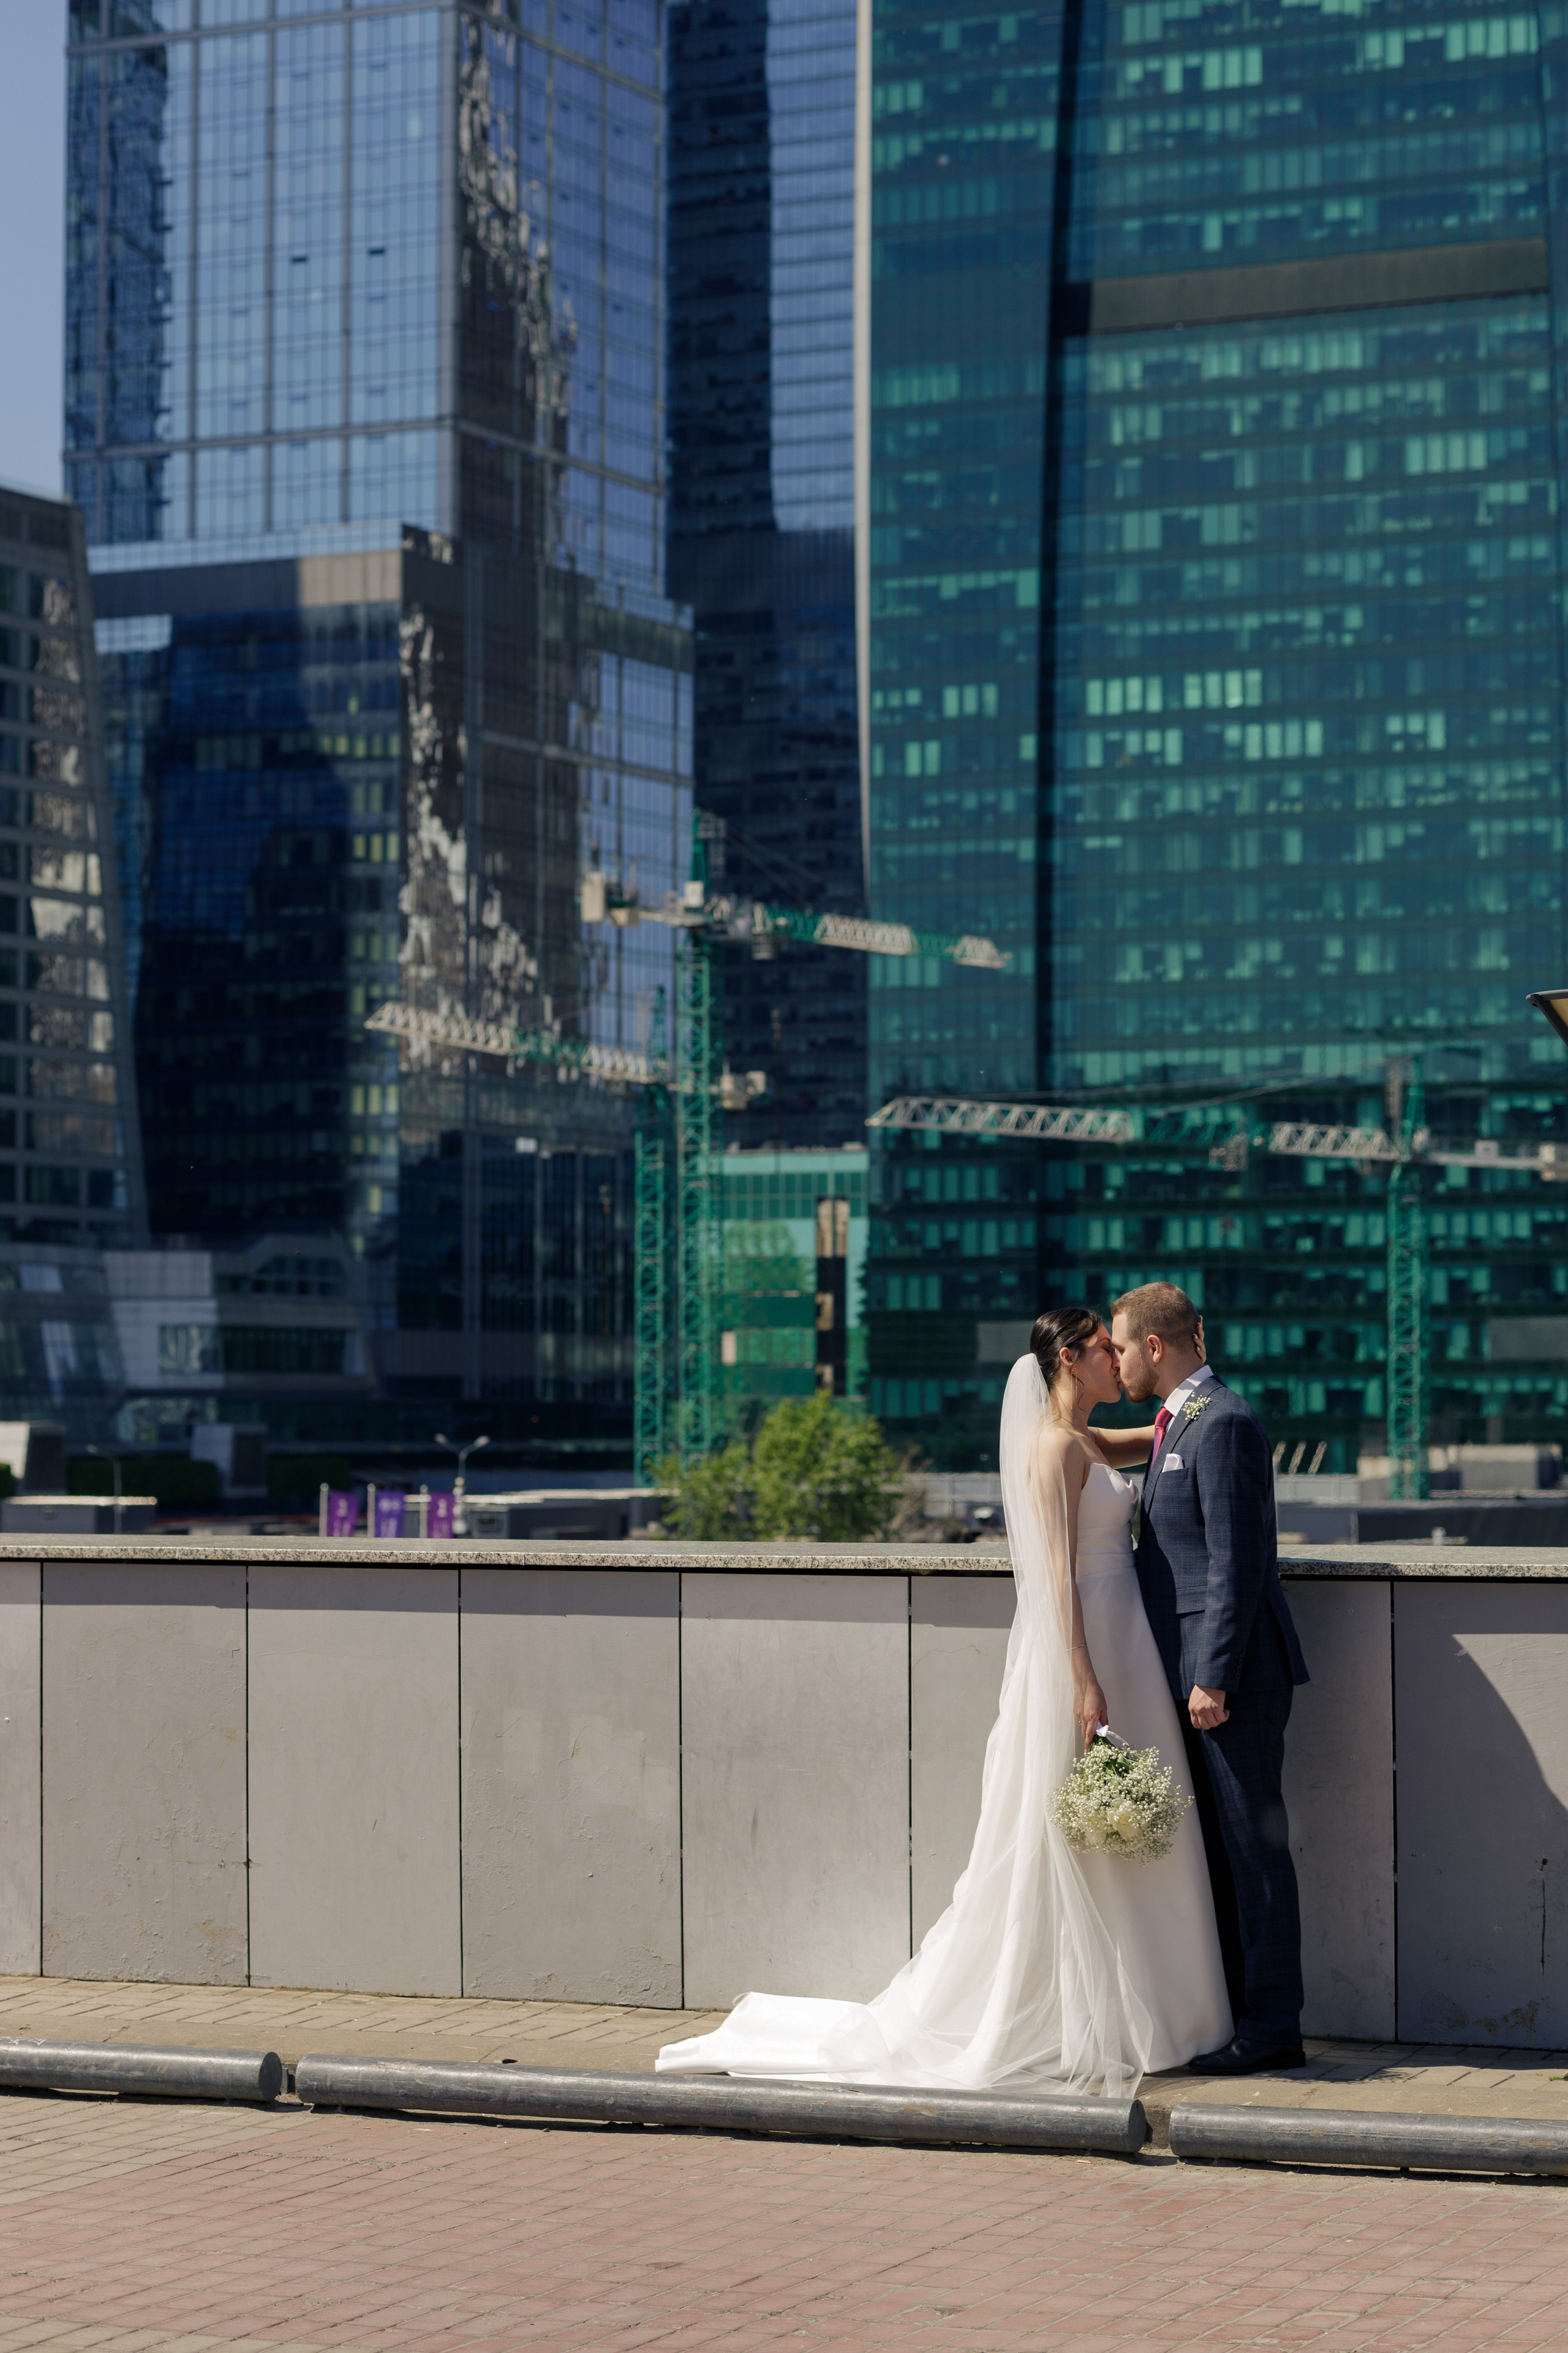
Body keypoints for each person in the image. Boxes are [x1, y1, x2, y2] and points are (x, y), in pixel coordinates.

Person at [656, 1305, 1231, 2097]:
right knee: (1069, 1829)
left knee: (1123, 1825)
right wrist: (1084, 1676)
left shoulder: (1087, 1440)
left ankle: (1153, 2006)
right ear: (1070, 1357)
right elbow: (1055, 1575)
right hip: (1093, 1641)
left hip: (1125, 1635)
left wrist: (1198, 1397)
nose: (1115, 1358)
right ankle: (1091, 2011)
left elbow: (1166, 1436)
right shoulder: (1056, 1447)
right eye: (1104, 1347)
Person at [1109, 1281, 1310, 2075]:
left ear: (1155, 1346)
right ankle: (1241, 2016)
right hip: (1196, 1679)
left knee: (1254, 1853)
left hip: (1231, 1681)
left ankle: (1274, 2029)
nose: (1118, 1359)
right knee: (1222, 1857)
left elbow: (1237, 1561)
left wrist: (1214, 1676)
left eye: (1122, 1345)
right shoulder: (1176, 1423)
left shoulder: (1221, 1422)